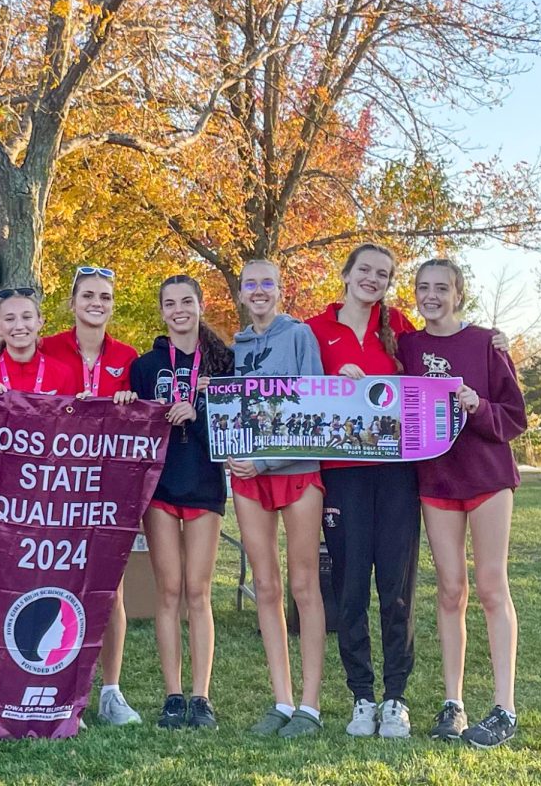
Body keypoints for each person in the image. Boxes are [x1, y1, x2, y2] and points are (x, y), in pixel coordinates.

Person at [397, 259, 527, 748]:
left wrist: (478, 405)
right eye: (423, 288)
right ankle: (453, 703)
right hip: (436, 479)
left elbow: (515, 416)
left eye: (441, 289)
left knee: (492, 586)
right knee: (450, 590)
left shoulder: (486, 343)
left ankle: (504, 708)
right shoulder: (407, 345)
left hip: (487, 476)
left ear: (457, 294)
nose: (431, 296)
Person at [305, 243, 422, 738]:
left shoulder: (401, 333)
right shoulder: (314, 330)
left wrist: (491, 343)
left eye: (383, 274)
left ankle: (395, 698)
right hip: (342, 473)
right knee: (350, 588)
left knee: (395, 588)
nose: (372, 279)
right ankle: (362, 697)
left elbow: (443, 359)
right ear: (347, 273)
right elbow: (293, 390)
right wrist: (338, 380)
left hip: (396, 474)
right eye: (365, 270)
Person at [128, 274, 234, 730]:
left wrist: (202, 408)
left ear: (200, 304)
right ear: (162, 311)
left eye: (186, 301)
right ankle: (173, 694)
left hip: (205, 485)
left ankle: (201, 696)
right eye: (169, 303)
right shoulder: (145, 365)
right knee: (167, 592)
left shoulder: (224, 361)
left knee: (198, 590)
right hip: (161, 489)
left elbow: (237, 422)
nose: (178, 310)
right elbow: (130, 421)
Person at [39, 265, 141, 725]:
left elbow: (139, 423)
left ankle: (111, 691)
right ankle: (66, 689)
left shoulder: (127, 356)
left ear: (111, 305)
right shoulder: (47, 349)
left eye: (104, 296)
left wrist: (127, 406)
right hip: (57, 486)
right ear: (73, 302)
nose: (96, 303)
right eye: (87, 296)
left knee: (109, 588)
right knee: (61, 587)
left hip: (107, 489)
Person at [229, 259, 327, 738]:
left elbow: (312, 410)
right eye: (252, 284)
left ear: (281, 290)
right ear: (243, 293)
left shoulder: (299, 336)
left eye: (268, 282)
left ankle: (310, 706)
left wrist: (265, 461)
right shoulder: (238, 344)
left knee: (303, 586)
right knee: (265, 585)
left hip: (297, 471)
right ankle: (282, 701)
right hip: (248, 477)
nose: (260, 290)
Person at [0, 287, 79, 395]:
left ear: (40, 322)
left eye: (26, 317)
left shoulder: (62, 374)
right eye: (10, 319)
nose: (19, 326)